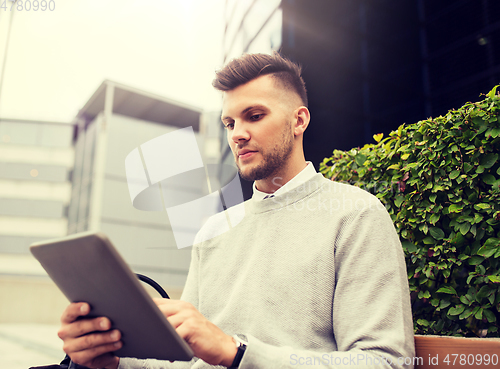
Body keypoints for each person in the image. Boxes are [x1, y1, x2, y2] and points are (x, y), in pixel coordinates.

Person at [57, 52, 415, 369]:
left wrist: (237, 352)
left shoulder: (355, 214)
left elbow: (384, 362)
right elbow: (190, 360)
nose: (237, 134)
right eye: (229, 123)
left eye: (254, 116)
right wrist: (110, 359)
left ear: (299, 121)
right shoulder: (214, 228)